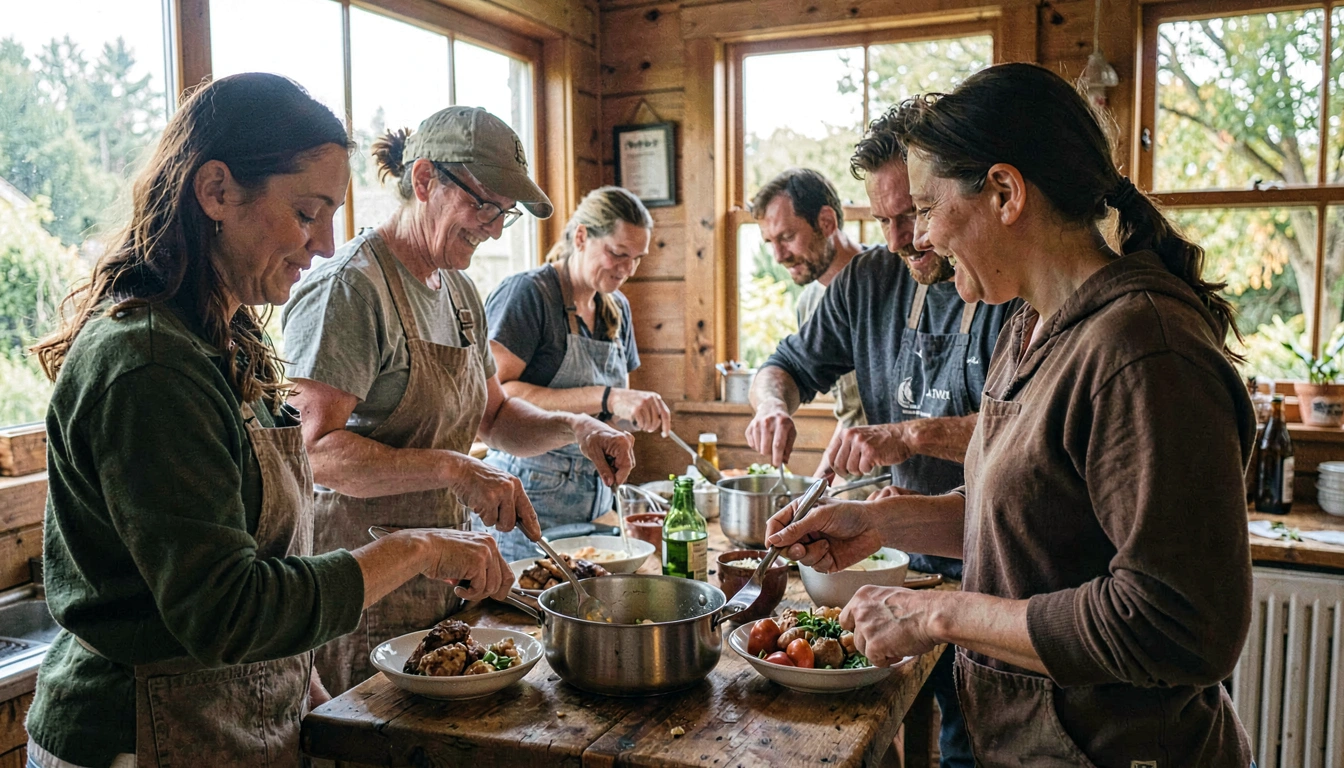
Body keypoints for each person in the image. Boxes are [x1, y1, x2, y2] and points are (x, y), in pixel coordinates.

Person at [24, 74, 519, 768]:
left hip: (232, 717)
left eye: (332, 217)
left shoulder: (230, 339)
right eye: (308, 212)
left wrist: (305, 689)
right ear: (217, 190)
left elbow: (267, 557)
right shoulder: (148, 364)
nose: (322, 245)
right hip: (133, 735)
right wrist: (418, 549)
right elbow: (228, 609)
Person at [767, 63, 1255, 767]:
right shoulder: (1030, 325)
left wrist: (936, 613)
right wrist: (881, 522)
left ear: (1004, 192)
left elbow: (1178, 626)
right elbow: (1030, 524)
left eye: (929, 207)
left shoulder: (1142, 350)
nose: (922, 239)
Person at [281, 107, 635, 695]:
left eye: (505, 212)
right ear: (424, 181)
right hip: (363, 592)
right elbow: (314, 454)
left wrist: (578, 427)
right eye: (485, 205)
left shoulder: (461, 290)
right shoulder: (350, 288)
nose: (496, 228)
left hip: (443, 582)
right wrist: (454, 467)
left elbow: (494, 417)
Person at [744, 108, 1021, 768]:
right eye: (888, 220)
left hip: (998, 570)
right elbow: (780, 367)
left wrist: (913, 435)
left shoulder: (1012, 286)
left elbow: (1029, 436)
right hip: (903, 552)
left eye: (917, 213)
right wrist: (771, 406)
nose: (903, 238)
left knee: (972, 745)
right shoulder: (868, 281)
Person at [481, 186, 670, 560]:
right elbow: (496, 398)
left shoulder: (618, 309)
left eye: (637, 259)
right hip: (525, 509)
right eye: (617, 254)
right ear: (581, 236)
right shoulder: (528, 295)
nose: (627, 270)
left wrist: (633, 415)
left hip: (594, 507)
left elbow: (615, 414)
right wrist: (607, 397)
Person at [750, 168, 869, 466]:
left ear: (826, 222)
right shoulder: (809, 302)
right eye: (770, 243)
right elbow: (853, 414)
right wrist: (825, 476)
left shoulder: (887, 281)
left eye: (787, 237)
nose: (778, 256)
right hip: (857, 476)